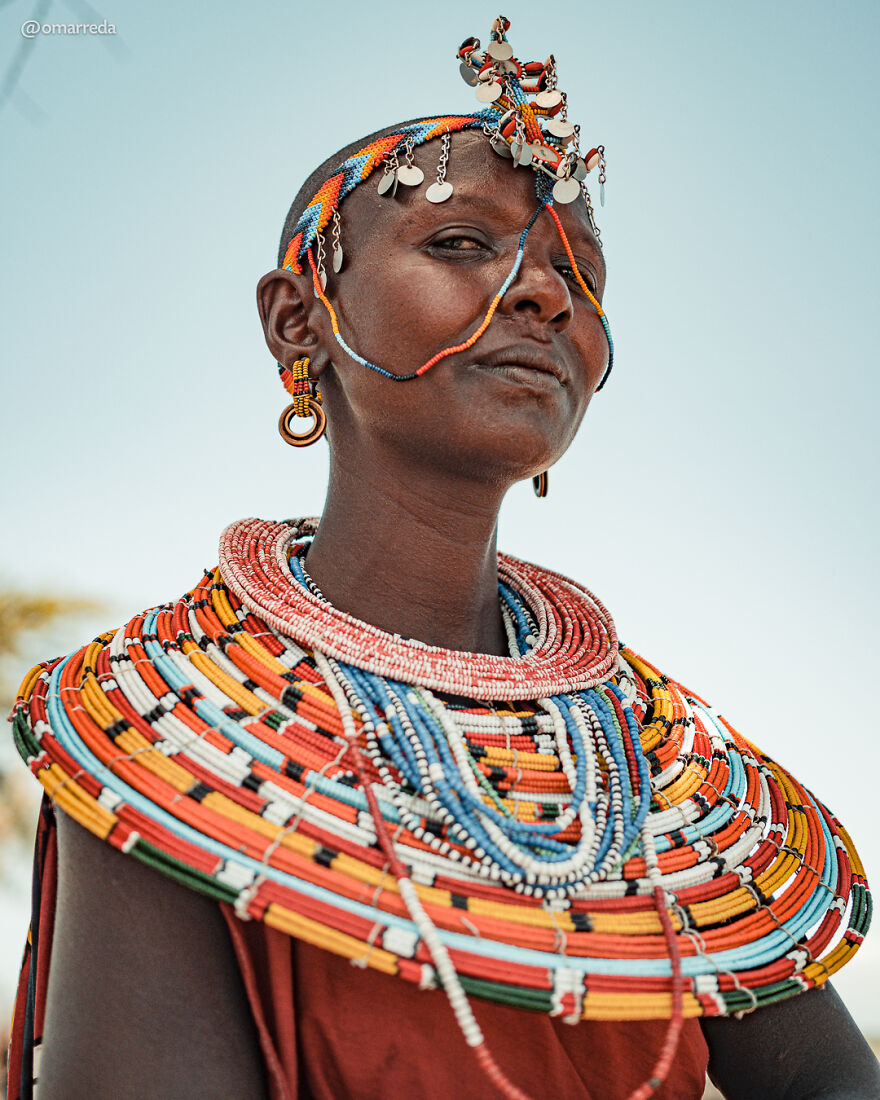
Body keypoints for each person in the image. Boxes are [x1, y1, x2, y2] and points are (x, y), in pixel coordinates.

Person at [6, 16, 879, 1100]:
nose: (546, 295)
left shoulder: (663, 765)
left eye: (580, 274)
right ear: (297, 321)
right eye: (461, 243)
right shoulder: (172, 730)